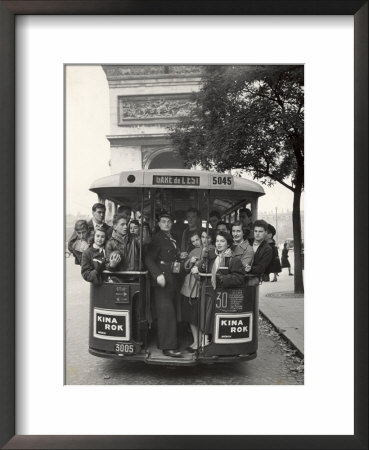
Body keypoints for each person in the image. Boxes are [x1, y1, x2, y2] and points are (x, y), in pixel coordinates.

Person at [145, 211, 183, 358]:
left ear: (171, 223)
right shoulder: (157, 238)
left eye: (169, 221)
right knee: (166, 313)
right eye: (163, 221)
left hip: (172, 279)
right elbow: (148, 259)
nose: (166, 224)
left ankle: (170, 342)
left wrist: (180, 256)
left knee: (171, 311)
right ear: (159, 224)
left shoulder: (172, 237)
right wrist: (158, 275)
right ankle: (168, 347)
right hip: (163, 279)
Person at [198, 231, 244, 344]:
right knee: (205, 314)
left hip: (223, 294)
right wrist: (203, 261)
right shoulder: (211, 256)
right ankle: (205, 337)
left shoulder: (233, 259)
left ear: (228, 244)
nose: (219, 244)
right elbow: (202, 269)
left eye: (222, 241)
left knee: (212, 316)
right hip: (209, 291)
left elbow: (239, 278)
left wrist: (223, 278)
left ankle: (211, 339)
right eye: (217, 241)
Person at [180, 231, 205, 352]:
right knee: (191, 316)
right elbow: (185, 266)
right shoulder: (192, 251)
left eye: (197, 239)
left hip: (197, 285)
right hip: (190, 287)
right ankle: (196, 341)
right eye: (193, 241)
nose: (195, 242)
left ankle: (199, 341)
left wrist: (196, 263)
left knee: (196, 316)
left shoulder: (207, 250)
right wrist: (189, 261)